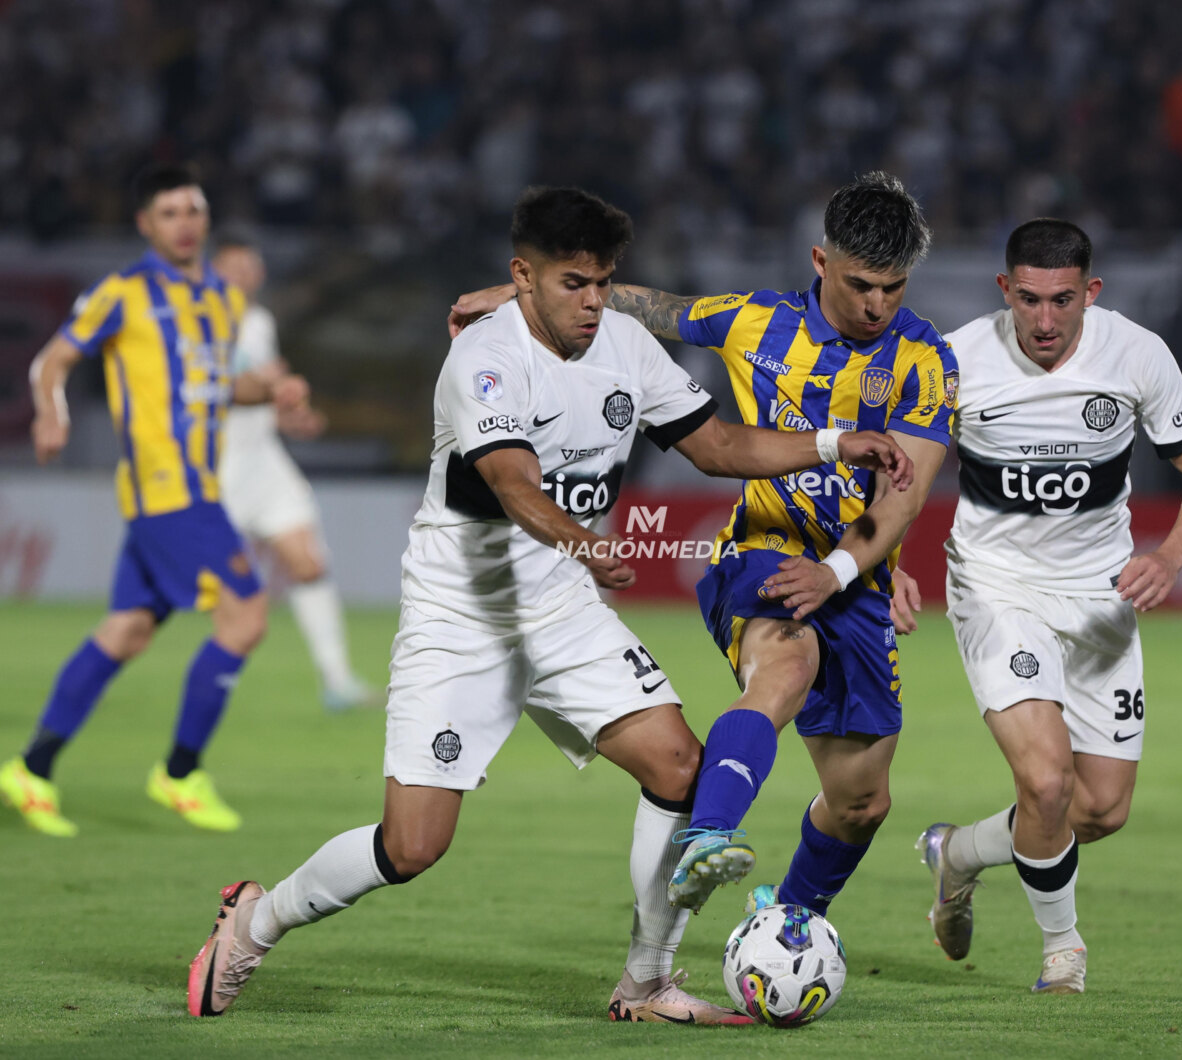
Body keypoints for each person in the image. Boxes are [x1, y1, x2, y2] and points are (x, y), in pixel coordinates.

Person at [187, 186, 914, 1022]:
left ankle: (646, 982)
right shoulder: (483, 361)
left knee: (680, 766)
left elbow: (718, 446)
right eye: (575, 283)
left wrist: (830, 442)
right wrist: (586, 542)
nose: (594, 301)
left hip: (563, 612)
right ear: (522, 277)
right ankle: (257, 919)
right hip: (463, 617)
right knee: (413, 844)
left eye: (604, 282)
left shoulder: (626, 346)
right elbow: (512, 483)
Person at [452, 171, 956, 924]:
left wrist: (841, 570)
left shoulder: (927, 361)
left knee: (860, 801)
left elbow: (904, 496)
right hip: (759, 551)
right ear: (821, 263)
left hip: (855, 575)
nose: (878, 305)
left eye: (894, 287)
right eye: (861, 285)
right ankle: (709, 834)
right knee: (785, 664)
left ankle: (786, 921)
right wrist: (521, 295)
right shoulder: (754, 320)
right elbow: (655, 308)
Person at [896, 218, 1182, 993]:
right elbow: (906, 473)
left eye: (1064, 301)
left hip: (1102, 599)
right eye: (1031, 301)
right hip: (997, 586)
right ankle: (1063, 952)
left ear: (1092, 293)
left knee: (1098, 810)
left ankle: (960, 853)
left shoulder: (1136, 352)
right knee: (1045, 785)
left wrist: (1170, 555)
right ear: (1005, 290)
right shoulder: (958, 359)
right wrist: (879, 566)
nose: (1046, 322)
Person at [0, 163, 310, 837]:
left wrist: (271, 393)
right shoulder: (124, 291)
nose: (184, 222)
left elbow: (219, 390)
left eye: (193, 210)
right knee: (246, 615)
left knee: (127, 630)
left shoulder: (223, 302)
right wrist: (49, 412)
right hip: (167, 492)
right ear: (145, 224)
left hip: (195, 487)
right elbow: (52, 360)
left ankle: (33, 765)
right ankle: (179, 772)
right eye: (169, 212)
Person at [212, 234, 379, 712]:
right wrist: (270, 390)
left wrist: (291, 415)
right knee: (226, 592)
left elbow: (265, 393)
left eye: (250, 266)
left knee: (308, 563)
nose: (243, 275)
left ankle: (337, 681)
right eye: (232, 266)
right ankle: (215, 686)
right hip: (215, 467)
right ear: (213, 273)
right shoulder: (199, 325)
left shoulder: (260, 322)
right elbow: (215, 390)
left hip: (263, 460)